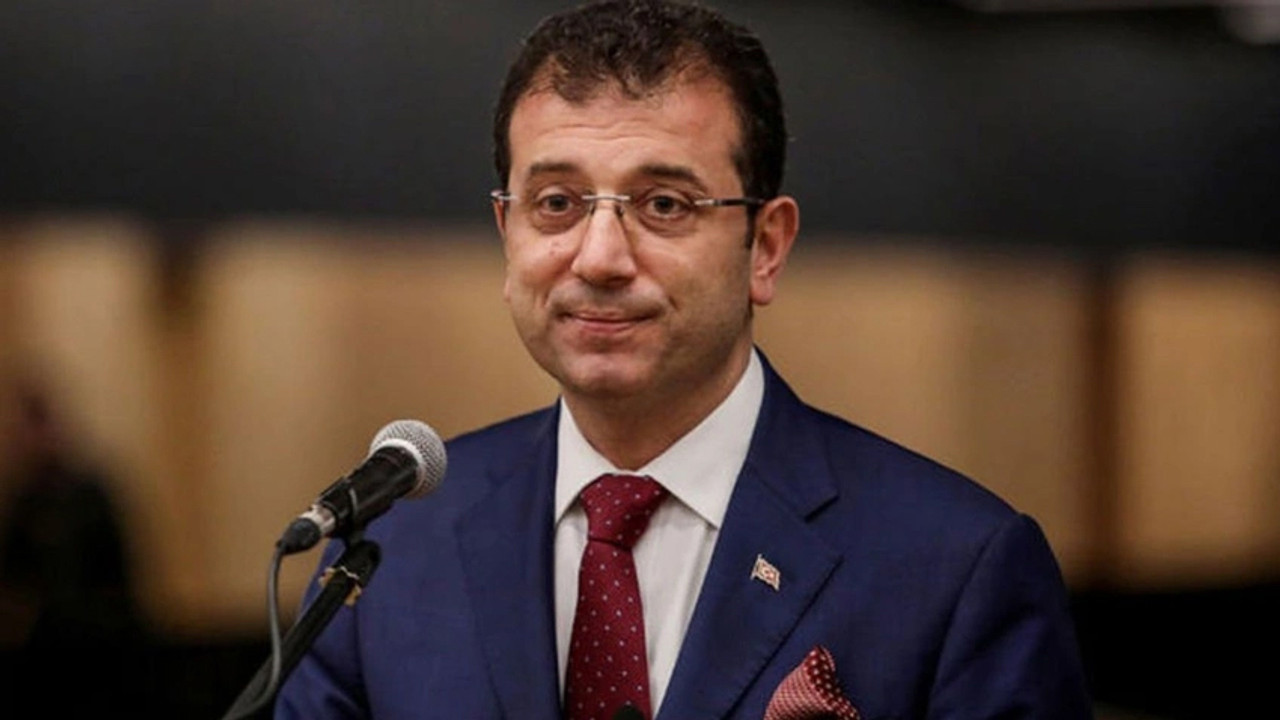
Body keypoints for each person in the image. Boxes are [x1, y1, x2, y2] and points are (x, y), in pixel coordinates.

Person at [276, 1, 1092, 718]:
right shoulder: (390, 551)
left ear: (764, 247)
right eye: (556, 203)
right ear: (506, 233)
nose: (598, 257)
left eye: (663, 205)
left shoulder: (955, 567)